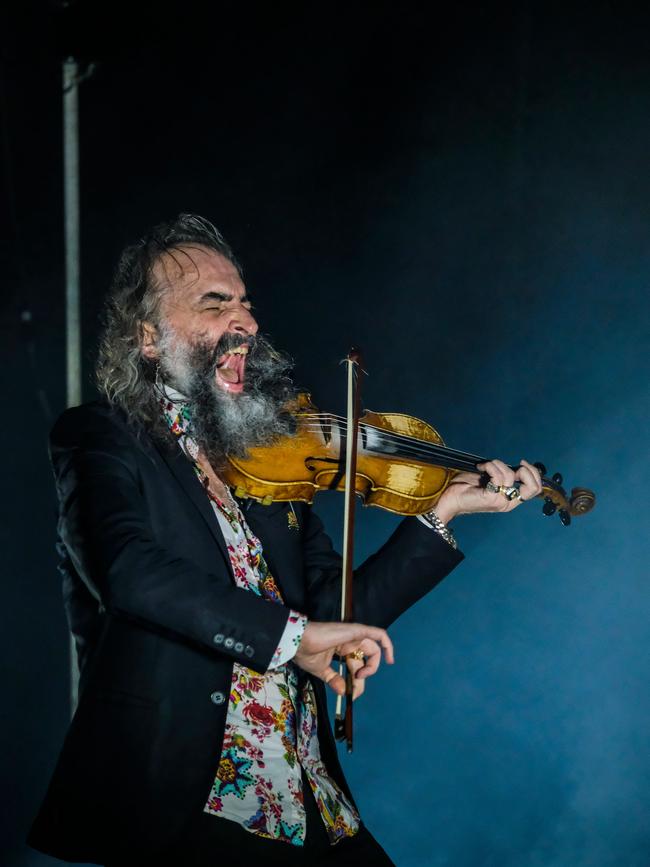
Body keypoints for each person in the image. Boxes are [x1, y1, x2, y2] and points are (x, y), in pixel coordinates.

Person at [28, 214, 543, 866]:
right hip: (193, 800)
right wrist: (292, 640)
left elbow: (333, 615)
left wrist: (442, 512)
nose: (243, 320)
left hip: (312, 803)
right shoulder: (101, 436)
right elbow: (132, 572)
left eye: (244, 303)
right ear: (148, 339)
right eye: (215, 305)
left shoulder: (269, 460)